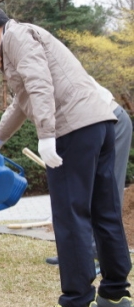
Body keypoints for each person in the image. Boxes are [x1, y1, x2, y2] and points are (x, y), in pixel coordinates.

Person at [0, 5, 132, 307]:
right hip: (102, 123)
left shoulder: (16, 37)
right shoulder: (26, 38)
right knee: (104, 210)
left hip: (74, 128)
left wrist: (46, 135)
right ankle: (115, 291)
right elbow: (22, 101)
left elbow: (39, 83)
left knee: (70, 216)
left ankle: (78, 298)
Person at [45, 78, 133, 267]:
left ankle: (104, 256)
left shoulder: (54, 72)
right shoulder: (35, 78)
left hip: (114, 122)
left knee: (107, 194)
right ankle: (77, 252)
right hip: (90, 126)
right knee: (79, 193)